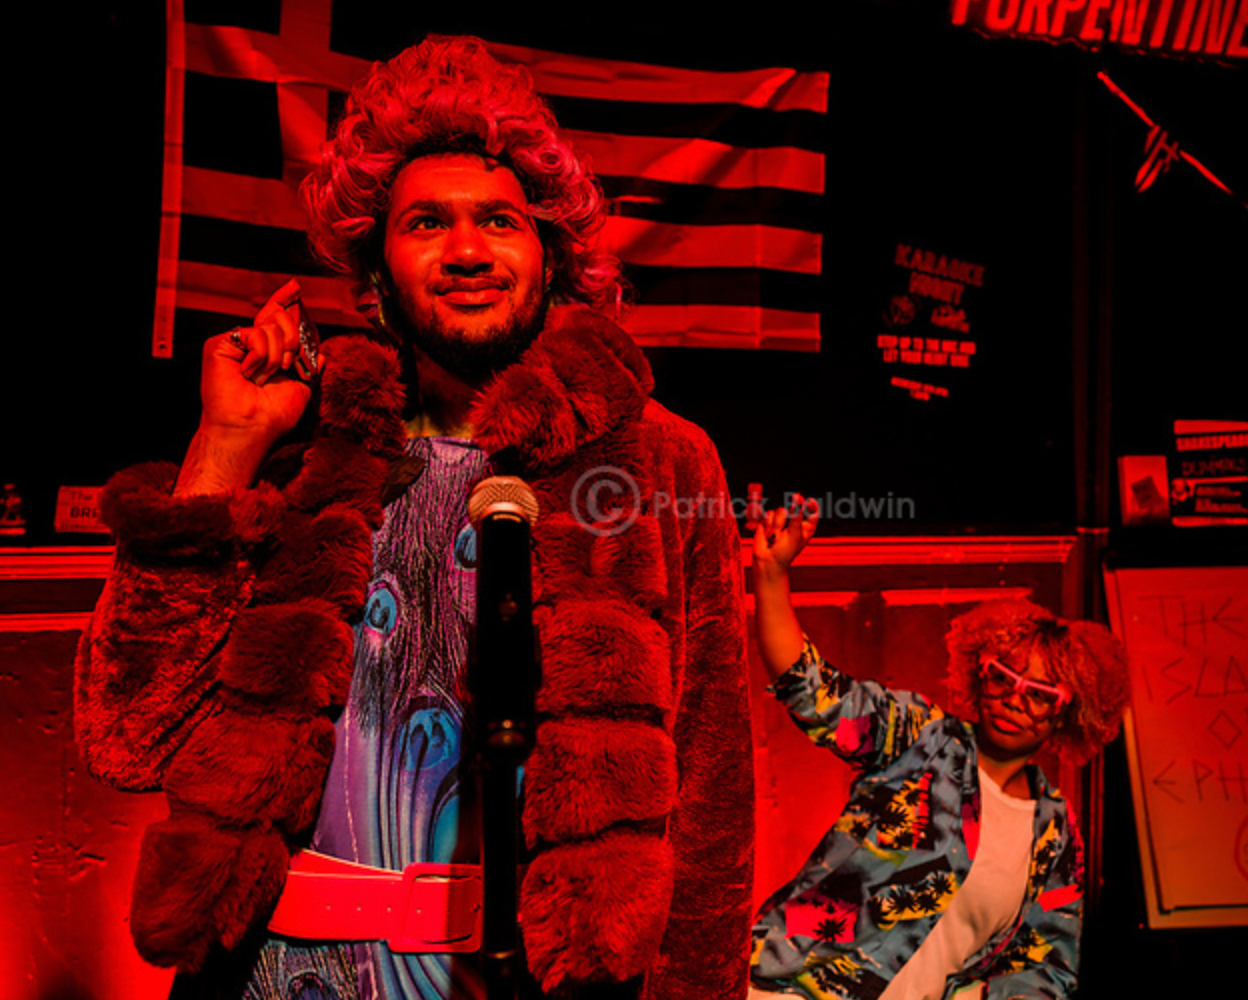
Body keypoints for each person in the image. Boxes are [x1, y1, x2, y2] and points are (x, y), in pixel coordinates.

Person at [74, 37, 753, 1000]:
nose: (468, 251)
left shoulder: (658, 462)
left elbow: (714, 797)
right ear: (377, 265)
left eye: (500, 222)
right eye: (427, 222)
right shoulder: (307, 459)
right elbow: (127, 737)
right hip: (271, 975)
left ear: (548, 254)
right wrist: (224, 447)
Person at [746, 498, 1129, 999]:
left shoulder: (1053, 835)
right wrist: (771, 574)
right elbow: (812, 691)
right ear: (979, 673)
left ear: (1067, 712)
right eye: (1001, 676)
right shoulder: (922, 739)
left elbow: (1048, 972)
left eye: (1039, 694)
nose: (1014, 698)